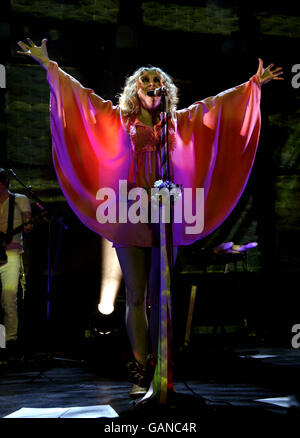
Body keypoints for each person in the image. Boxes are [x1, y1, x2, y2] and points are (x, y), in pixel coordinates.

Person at [17, 38, 283, 398]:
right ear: (135, 89)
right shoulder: (118, 118)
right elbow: (83, 100)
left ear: (165, 90)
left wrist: (252, 86)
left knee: (163, 295)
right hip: (130, 210)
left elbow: (215, 107)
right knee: (137, 293)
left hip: (165, 212)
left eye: (157, 80)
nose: (152, 84)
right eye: (145, 79)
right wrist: (50, 66)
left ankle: (162, 367)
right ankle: (140, 370)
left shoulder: (177, 121)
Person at [0, 168, 32, 353]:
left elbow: (27, 223)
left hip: (11, 254)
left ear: (4, 182)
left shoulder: (19, 200)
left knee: (9, 297)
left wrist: (28, 226)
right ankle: (0, 341)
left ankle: (9, 340)